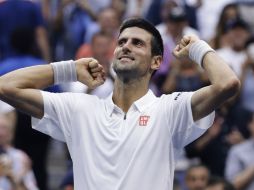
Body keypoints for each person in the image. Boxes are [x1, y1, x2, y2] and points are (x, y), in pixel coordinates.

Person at [0, 18, 240, 190]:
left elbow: (227, 83)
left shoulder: (170, 110)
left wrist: (198, 48)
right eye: (122, 41)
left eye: (137, 43)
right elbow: (5, 87)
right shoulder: (80, 108)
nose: (125, 46)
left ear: (156, 62)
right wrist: (68, 69)